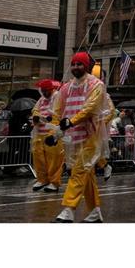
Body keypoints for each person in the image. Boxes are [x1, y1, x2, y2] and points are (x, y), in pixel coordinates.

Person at [50, 52, 110, 223]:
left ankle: (69, 208)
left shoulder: (96, 84)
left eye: (79, 64)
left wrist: (71, 121)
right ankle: (95, 211)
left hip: (91, 135)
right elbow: (57, 111)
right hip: (73, 137)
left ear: (86, 66)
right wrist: (55, 132)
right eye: (74, 64)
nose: (76, 67)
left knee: (78, 171)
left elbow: (90, 108)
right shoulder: (66, 87)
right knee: (86, 173)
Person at [30, 79, 63, 193]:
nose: (44, 93)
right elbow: (35, 110)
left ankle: (54, 182)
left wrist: (53, 131)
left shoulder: (58, 97)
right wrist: (36, 116)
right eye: (42, 91)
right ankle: (42, 179)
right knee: (39, 158)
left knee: (54, 159)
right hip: (39, 133)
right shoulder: (41, 99)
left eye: (46, 91)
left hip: (52, 133)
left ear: (51, 89)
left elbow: (58, 114)